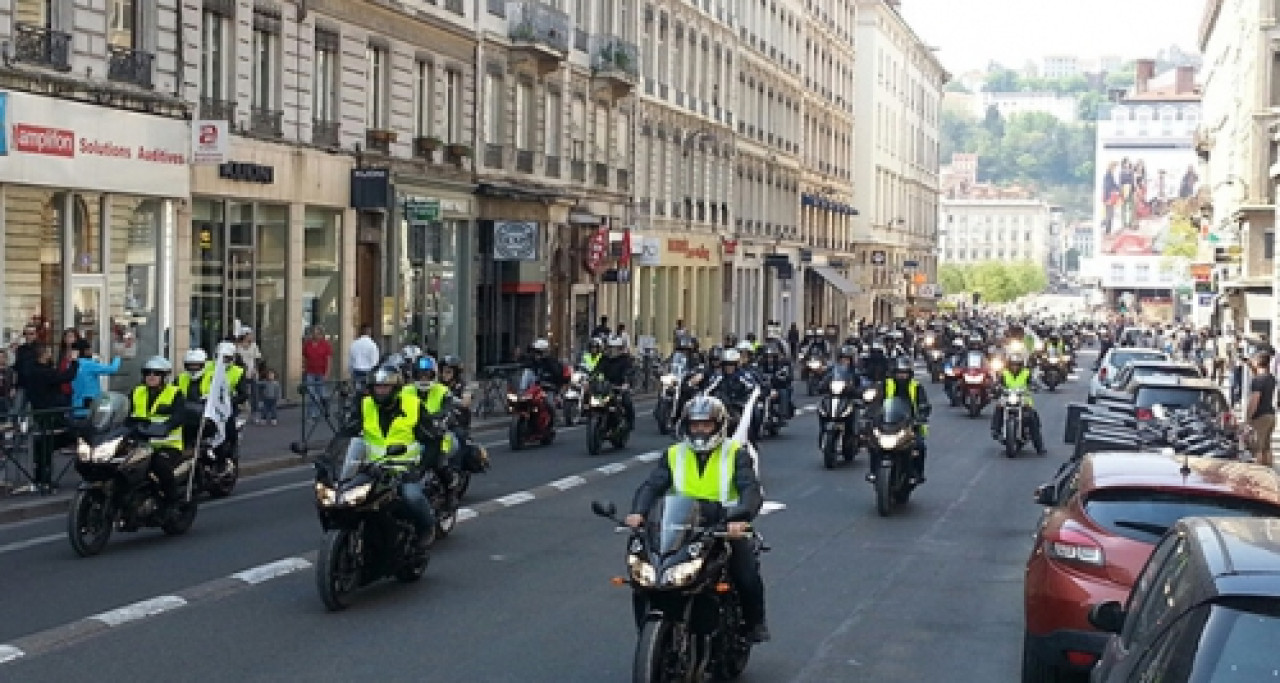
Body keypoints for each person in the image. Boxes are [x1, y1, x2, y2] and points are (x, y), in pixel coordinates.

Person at [625, 395, 769, 642]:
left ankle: (755, 622)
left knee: (745, 574)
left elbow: (750, 489)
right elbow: (652, 486)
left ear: (719, 425)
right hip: (681, 525)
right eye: (695, 424)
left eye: (706, 424)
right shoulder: (673, 454)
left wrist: (742, 517)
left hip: (724, 526)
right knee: (645, 573)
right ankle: (651, 626)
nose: (700, 430)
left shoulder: (736, 453)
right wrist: (639, 512)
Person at [340, 365, 439, 553]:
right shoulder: (364, 405)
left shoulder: (413, 405)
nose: (381, 390)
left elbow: (432, 440)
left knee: (412, 496)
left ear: (396, 388)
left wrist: (421, 468)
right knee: (344, 497)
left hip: (404, 468)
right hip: (371, 467)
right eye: (377, 386)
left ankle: (427, 527)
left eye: (385, 387)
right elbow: (345, 434)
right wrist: (328, 458)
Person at [127, 356, 188, 512]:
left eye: (156, 373)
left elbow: (179, 416)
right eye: (148, 373)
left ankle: (172, 501)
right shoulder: (136, 391)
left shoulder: (174, 393)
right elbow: (124, 412)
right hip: (139, 443)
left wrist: (167, 426)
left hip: (166, 444)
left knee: (159, 465)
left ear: (164, 377)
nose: (151, 376)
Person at [878, 356, 932, 483]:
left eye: (904, 373)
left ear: (909, 374)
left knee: (919, 446)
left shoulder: (916, 386)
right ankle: (874, 471)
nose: (902, 376)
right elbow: (877, 401)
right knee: (874, 445)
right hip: (888, 423)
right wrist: (872, 413)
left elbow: (923, 403)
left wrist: (921, 415)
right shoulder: (886, 384)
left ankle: (916, 473)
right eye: (899, 373)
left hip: (910, 424)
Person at [990, 352, 1047, 454]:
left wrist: (1035, 386)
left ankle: (1039, 445)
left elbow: (1034, 383)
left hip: (1023, 398)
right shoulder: (1004, 373)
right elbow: (998, 383)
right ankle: (995, 430)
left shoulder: (1026, 373)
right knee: (998, 407)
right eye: (1012, 364)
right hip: (1007, 397)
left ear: (1021, 365)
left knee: (1032, 417)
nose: (1014, 367)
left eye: (1017, 364)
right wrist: (996, 387)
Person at [70, 339, 121, 419]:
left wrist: (94, 361)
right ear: (85, 351)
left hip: (77, 405)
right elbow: (112, 369)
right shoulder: (88, 364)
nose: (91, 351)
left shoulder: (72, 365)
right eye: (90, 349)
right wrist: (117, 356)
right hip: (91, 405)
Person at [522, 338, 567, 425]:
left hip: (548, 388)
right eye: (535, 352)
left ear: (545, 352)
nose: (536, 355)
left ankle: (554, 419)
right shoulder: (532, 362)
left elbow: (558, 374)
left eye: (539, 352)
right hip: (534, 388)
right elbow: (527, 370)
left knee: (549, 402)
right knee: (524, 401)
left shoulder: (551, 362)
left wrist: (552, 383)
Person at [594, 336, 635, 430]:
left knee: (627, 402)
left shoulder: (625, 359)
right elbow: (597, 370)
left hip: (619, 387)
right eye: (610, 347)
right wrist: (590, 378)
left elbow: (629, 371)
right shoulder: (603, 359)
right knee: (594, 400)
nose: (612, 350)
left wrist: (626, 382)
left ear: (620, 348)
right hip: (604, 386)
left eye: (615, 348)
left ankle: (630, 422)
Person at [1248, 351, 1276, 467]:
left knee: (1257, 449)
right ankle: (1269, 472)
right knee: (1266, 447)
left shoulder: (1258, 380)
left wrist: (1248, 417)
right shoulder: (1271, 378)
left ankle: (1259, 474)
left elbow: (1255, 400)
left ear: (1258, 362)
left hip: (1260, 416)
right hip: (1271, 415)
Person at [302, 325, 333, 421]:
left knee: (321, 394)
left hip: (321, 372)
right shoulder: (308, 344)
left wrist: (327, 373)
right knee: (312, 394)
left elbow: (329, 359)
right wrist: (303, 368)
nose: (315, 335)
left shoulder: (325, 345)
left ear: (321, 334)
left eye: (317, 333)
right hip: (310, 372)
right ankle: (313, 414)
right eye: (313, 333)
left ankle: (325, 407)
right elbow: (304, 357)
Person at [349, 324, 380, 393]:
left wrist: (351, 372)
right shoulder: (372, 345)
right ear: (369, 332)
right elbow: (375, 362)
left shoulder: (354, 344)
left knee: (357, 392)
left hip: (356, 371)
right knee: (368, 393)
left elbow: (351, 360)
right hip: (368, 372)